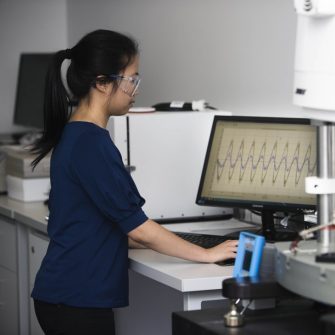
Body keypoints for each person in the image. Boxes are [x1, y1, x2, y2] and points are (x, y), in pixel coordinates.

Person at [30, 29, 238, 335]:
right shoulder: (91, 144)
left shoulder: (78, 134)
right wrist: (207, 253)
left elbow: (98, 220)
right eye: (132, 80)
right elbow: (139, 227)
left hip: (67, 296)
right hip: (76, 301)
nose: (136, 89)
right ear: (102, 82)